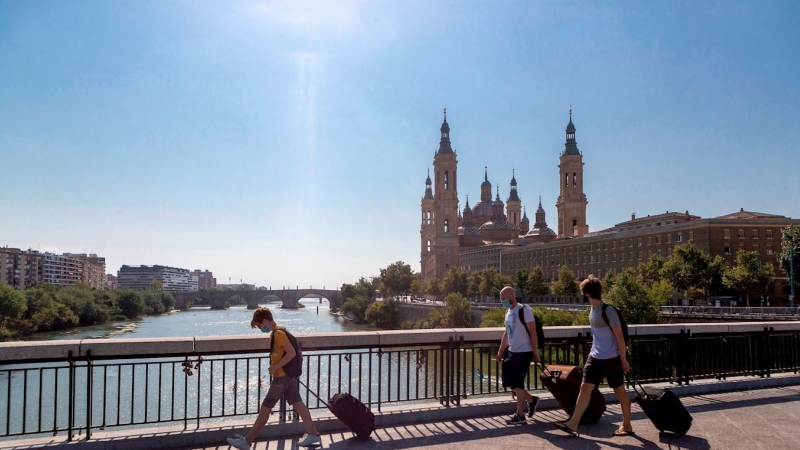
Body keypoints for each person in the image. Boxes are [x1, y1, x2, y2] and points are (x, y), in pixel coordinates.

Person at [226, 307, 321, 449]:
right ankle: (313, 434)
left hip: (282, 377)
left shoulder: (278, 334)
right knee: (298, 404)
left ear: (265, 320)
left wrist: (276, 367)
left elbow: (291, 353)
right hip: (286, 376)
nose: (260, 329)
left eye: (259, 326)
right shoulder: (279, 331)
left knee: (266, 407)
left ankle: (247, 442)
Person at [554, 275, 634, 437]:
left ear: (587, 293)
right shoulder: (592, 309)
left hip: (612, 358)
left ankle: (627, 425)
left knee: (619, 391)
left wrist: (623, 359)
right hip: (595, 357)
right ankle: (573, 423)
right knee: (585, 388)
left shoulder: (608, 310)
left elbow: (619, 336)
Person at [495, 286, 540, 425]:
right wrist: (500, 351)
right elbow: (507, 333)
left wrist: (535, 353)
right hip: (512, 351)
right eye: (501, 299)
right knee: (509, 383)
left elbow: (533, 333)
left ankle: (520, 415)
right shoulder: (508, 312)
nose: (502, 302)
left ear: (512, 296)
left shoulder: (524, 310)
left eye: (504, 299)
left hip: (524, 352)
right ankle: (532, 400)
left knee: (518, 385)